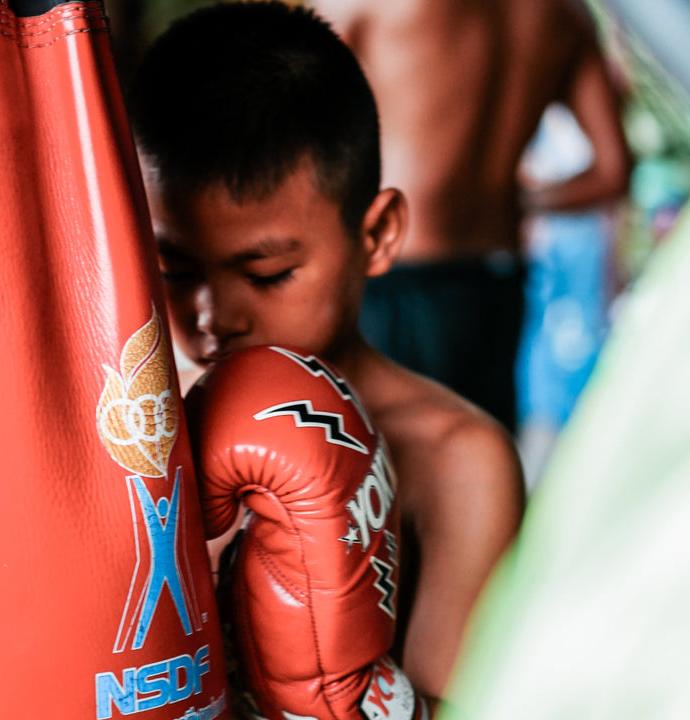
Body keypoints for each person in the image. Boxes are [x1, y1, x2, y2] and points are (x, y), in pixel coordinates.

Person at [127, 1, 525, 711]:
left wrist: (331, 690)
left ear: (377, 236)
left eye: (269, 273)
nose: (215, 314)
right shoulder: (117, 431)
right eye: (176, 270)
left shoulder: (460, 460)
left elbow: (461, 704)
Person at [310, 0, 633, 433]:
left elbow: (286, 132)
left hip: (396, 278)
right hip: (499, 281)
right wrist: (517, 200)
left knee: (375, 479)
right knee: (481, 472)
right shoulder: (563, 13)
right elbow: (612, 172)